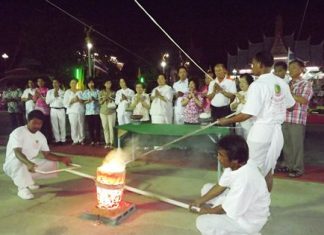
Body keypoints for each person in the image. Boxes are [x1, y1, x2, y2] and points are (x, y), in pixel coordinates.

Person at [217, 51, 295, 192]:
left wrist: (226, 120)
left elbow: (247, 114)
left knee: (248, 168)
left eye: (253, 63)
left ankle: (245, 202)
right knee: (268, 170)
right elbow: (292, 106)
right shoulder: (282, 83)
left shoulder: (258, 85)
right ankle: (263, 204)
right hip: (277, 134)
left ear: (260, 64)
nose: (252, 66)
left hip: (261, 133)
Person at [190, 135, 270, 235]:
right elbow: (220, 186)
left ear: (235, 160)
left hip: (248, 222)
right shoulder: (238, 164)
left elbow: (224, 208)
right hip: (241, 204)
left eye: (221, 155)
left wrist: (206, 211)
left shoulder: (245, 179)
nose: (218, 157)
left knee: (203, 222)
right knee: (206, 189)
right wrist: (199, 201)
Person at [3, 110, 72, 200]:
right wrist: (28, 163)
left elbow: (47, 155)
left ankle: (29, 181)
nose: (37, 126)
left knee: (52, 163)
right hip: (13, 164)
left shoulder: (41, 136)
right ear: (28, 120)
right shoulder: (18, 132)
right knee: (21, 162)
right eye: (34, 123)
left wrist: (62, 158)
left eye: (39, 123)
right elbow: (17, 152)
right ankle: (22, 188)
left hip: (29, 163)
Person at [282, 60, 313, 177]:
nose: (291, 70)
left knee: (296, 145)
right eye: (290, 68)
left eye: (295, 67)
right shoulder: (287, 83)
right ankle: (288, 165)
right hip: (285, 117)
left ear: (301, 69)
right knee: (286, 144)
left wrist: (288, 93)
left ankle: (297, 168)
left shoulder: (306, 84)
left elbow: (304, 100)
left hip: (297, 119)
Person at [230, 73, 254, 139]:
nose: (241, 84)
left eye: (243, 82)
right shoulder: (240, 93)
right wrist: (238, 102)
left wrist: (242, 100)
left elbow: (252, 107)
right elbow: (232, 107)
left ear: (249, 83)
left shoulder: (253, 93)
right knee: (239, 140)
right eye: (240, 82)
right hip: (238, 123)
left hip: (249, 123)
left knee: (248, 141)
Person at [63, 79, 85, 145]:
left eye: (75, 83)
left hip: (80, 110)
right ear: (70, 84)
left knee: (81, 125)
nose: (74, 84)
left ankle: (81, 139)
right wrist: (72, 101)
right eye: (72, 83)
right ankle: (75, 139)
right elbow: (65, 103)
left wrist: (79, 100)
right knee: (73, 125)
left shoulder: (80, 91)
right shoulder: (67, 92)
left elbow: (84, 101)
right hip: (72, 111)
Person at [46, 79, 66, 145]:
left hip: (61, 109)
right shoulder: (49, 92)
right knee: (55, 126)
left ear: (59, 84)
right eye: (53, 83)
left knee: (62, 124)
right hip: (53, 109)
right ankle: (57, 140)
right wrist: (54, 96)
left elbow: (64, 102)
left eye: (56, 83)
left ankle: (63, 139)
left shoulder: (63, 92)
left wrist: (58, 96)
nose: (54, 84)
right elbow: (47, 102)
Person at [81, 79, 101, 146]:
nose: (91, 84)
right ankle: (92, 140)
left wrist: (94, 99)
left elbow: (100, 101)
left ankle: (98, 140)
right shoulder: (85, 92)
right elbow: (83, 102)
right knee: (90, 127)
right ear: (87, 84)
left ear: (94, 83)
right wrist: (88, 101)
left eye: (92, 83)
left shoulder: (98, 91)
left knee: (97, 127)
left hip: (96, 112)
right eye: (89, 83)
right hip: (88, 112)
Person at [99, 80, 116, 149]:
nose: (108, 84)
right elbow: (100, 102)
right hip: (103, 112)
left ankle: (112, 142)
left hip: (111, 112)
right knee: (105, 127)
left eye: (110, 83)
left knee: (111, 127)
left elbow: (116, 101)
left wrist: (110, 99)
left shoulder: (113, 92)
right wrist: (104, 99)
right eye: (107, 83)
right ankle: (107, 142)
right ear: (104, 84)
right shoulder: (101, 92)